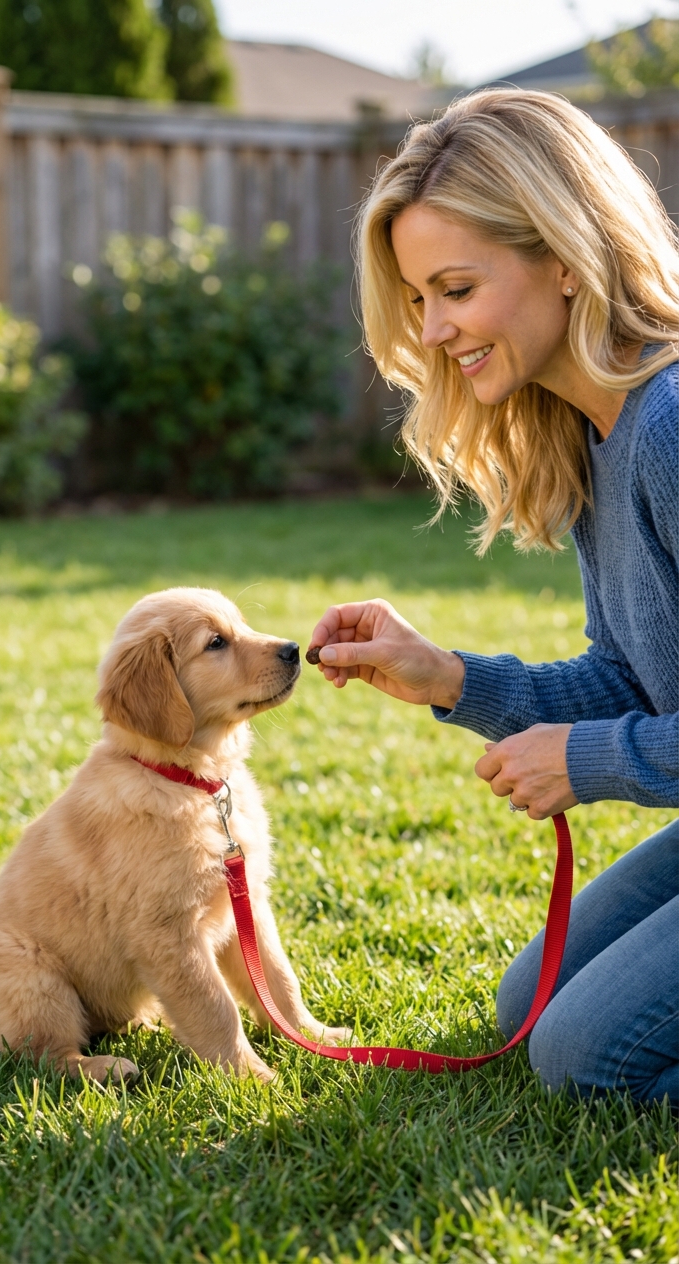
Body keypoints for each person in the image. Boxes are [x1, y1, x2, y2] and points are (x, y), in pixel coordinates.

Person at [308, 89, 678, 1107]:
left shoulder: (672, 422)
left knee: (585, 1057)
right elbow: (631, 675)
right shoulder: (597, 435)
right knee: (534, 1000)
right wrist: (446, 678)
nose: (430, 330)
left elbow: (615, 729)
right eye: (417, 298)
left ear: (562, 256)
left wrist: (587, 762)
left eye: (453, 288)